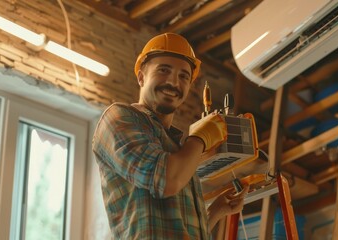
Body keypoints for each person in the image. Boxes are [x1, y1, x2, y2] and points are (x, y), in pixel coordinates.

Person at [92, 32, 249, 239]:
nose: (173, 83)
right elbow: (166, 181)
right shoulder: (118, 117)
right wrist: (200, 138)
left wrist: (215, 212)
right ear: (141, 77)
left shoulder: (177, 151)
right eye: (163, 70)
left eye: (184, 76)